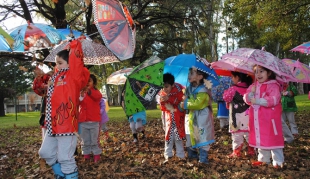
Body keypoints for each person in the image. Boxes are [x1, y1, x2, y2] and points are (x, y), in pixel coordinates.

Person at [38, 39, 90, 179]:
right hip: (52, 124)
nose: (57, 66)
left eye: (60, 63)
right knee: (45, 153)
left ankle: (69, 175)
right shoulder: (56, 77)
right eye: (56, 63)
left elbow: (77, 62)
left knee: (65, 157)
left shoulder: (74, 75)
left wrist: (74, 45)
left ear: (70, 62)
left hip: (66, 125)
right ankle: (60, 173)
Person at [244, 65, 284, 168]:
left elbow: (274, 99)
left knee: (272, 138)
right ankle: (263, 159)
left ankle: (278, 161)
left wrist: (259, 101)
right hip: (258, 118)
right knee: (261, 137)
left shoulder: (273, 85)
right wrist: (250, 94)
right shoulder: (254, 85)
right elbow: (247, 98)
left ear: (269, 73)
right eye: (256, 72)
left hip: (270, 119)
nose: (258, 74)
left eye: (261, 71)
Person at [180, 67, 215, 164]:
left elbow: (199, 104)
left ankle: (203, 159)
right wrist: (182, 103)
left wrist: (186, 103)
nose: (189, 75)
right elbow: (184, 102)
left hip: (202, 117)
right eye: (189, 73)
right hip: (191, 117)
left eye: (192, 73)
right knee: (191, 136)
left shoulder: (203, 90)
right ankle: (192, 156)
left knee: (202, 136)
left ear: (200, 76)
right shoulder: (188, 89)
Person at [223, 72, 254, 158]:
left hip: (236, 117)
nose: (232, 79)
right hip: (248, 116)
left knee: (237, 134)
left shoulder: (233, 89)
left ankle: (237, 151)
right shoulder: (250, 88)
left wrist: (226, 91)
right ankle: (251, 149)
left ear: (238, 77)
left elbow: (226, 97)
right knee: (249, 133)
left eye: (233, 77)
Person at [158, 73, 186, 162]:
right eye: (163, 87)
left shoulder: (179, 91)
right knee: (168, 137)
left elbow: (179, 101)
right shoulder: (162, 93)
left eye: (167, 87)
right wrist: (163, 101)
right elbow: (163, 107)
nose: (165, 89)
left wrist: (169, 99)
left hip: (178, 118)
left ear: (172, 85)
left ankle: (180, 155)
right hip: (168, 119)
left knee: (178, 137)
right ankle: (168, 154)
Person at [78, 74, 103, 163]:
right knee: (84, 140)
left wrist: (89, 91)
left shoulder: (95, 92)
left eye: (90, 81)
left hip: (94, 121)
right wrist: (81, 95)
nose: (87, 82)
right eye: (86, 81)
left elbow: (98, 97)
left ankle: (96, 154)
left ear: (94, 83)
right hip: (83, 121)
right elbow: (78, 102)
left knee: (94, 140)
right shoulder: (81, 92)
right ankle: (86, 154)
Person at [32, 66, 53, 140]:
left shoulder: (51, 75)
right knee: (45, 121)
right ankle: (45, 142)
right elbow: (36, 88)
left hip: (56, 100)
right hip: (46, 100)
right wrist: (44, 87)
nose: (36, 71)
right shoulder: (38, 79)